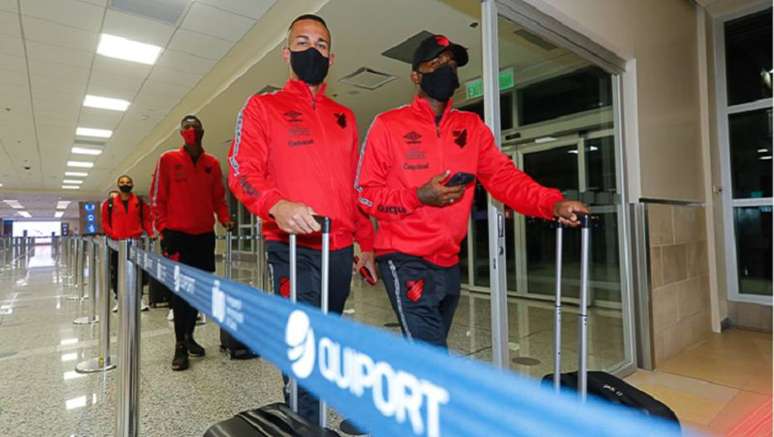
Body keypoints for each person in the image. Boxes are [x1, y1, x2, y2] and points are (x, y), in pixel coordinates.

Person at [355, 34, 589, 349]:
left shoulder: (472, 127)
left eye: (451, 63)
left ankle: (410, 395)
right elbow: (366, 194)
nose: (445, 68)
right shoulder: (387, 125)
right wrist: (418, 197)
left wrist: (552, 203)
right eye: (435, 62)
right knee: (431, 353)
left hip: (449, 261)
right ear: (415, 76)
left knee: (429, 347)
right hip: (403, 257)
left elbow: (505, 178)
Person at [227, 14, 375, 423]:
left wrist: (367, 243)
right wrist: (277, 205)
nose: (313, 50)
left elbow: (353, 189)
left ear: (331, 56)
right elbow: (241, 171)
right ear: (286, 52)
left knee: (326, 342)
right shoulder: (263, 107)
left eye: (322, 44)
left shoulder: (344, 116)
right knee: (304, 346)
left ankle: (314, 411)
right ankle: (306, 423)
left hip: (340, 248)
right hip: (292, 248)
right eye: (303, 41)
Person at [151, 114, 234, 371]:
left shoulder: (212, 163)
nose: (191, 132)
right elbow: (158, 197)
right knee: (180, 292)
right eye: (186, 128)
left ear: (202, 131)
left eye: (195, 128)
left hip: (203, 237)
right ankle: (179, 346)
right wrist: (162, 229)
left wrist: (225, 218)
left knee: (198, 291)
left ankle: (189, 337)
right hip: (177, 236)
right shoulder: (168, 159)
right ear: (181, 133)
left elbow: (218, 198)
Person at [101, 179, 153, 312]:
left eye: (128, 182)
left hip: (136, 242)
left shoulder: (139, 202)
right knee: (117, 272)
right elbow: (105, 222)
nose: (125, 184)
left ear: (132, 184)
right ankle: (119, 299)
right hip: (117, 243)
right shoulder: (109, 203)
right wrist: (113, 234)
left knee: (138, 271)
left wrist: (151, 233)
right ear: (118, 185)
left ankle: (139, 299)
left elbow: (147, 220)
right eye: (122, 182)